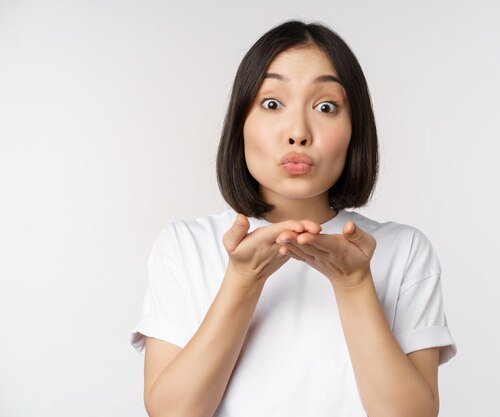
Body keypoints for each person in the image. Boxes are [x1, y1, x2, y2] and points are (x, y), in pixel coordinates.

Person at [130, 19, 457, 417]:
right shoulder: (185, 245)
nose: (298, 132)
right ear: (240, 124)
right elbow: (172, 412)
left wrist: (354, 285)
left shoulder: (403, 250)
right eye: (272, 103)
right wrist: (243, 280)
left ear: (355, 130)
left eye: (325, 106)